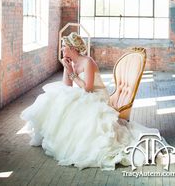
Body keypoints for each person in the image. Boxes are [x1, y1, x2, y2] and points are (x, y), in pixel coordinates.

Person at [20, 32, 164, 170]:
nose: (62, 48)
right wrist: (67, 67)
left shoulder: (87, 62)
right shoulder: (72, 63)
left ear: (72, 48)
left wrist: (71, 73)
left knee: (72, 107)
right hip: (84, 94)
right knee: (56, 98)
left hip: (97, 96)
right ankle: (60, 139)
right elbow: (67, 86)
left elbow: (88, 88)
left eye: (64, 46)